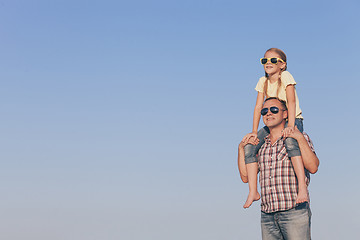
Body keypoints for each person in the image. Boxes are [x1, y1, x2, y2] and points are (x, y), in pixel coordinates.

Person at [238, 97, 319, 240]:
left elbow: (313, 167)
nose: (268, 113)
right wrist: (241, 148)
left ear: (285, 114)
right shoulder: (260, 145)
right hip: (267, 215)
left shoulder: (298, 138)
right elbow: (245, 177)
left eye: (274, 110)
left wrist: (299, 138)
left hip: (294, 212)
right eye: (264, 111)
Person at [242, 48, 308, 208]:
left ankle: (302, 187)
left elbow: (291, 102)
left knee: (291, 144)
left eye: (273, 60)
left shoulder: (285, 76)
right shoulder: (262, 82)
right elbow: (258, 107)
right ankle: (253, 191)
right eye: (264, 60)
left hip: (292, 118)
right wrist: (253, 130)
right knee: (250, 146)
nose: (268, 63)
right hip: (273, 122)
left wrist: (291, 126)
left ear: (282, 65)